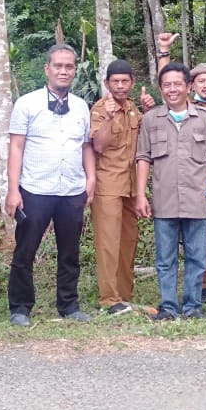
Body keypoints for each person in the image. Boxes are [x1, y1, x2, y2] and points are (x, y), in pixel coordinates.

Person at [4, 43, 95, 326]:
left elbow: (85, 146)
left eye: (69, 66)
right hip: (35, 190)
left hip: (71, 191)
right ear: (47, 69)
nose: (64, 71)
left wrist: (91, 178)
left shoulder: (81, 106)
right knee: (25, 250)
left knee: (70, 252)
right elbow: (16, 147)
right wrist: (13, 189)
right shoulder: (27, 104)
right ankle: (20, 307)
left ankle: (68, 305)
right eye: (58, 66)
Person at [135, 62, 206, 320]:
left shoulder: (205, 119)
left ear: (188, 87)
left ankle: (193, 306)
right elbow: (143, 157)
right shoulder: (151, 120)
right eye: (166, 85)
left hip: (197, 200)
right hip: (164, 201)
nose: (172, 89)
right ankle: (169, 307)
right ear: (161, 89)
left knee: (197, 257)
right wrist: (141, 194)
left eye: (177, 84)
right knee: (165, 259)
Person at [155, 32, 206, 301]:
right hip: (189, 184)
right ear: (192, 85)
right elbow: (168, 81)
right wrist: (164, 52)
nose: (205, 85)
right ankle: (204, 284)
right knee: (195, 239)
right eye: (200, 81)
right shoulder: (181, 108)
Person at [90, 59, 144, 315]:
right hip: (108, 186)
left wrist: (149, 109)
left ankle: (124, 294)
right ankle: (109, 299)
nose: (121, 86)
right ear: (107, 83)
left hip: (131, 187)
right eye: (115, 82)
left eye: (125, 81)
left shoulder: (134, 109)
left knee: (128, 241)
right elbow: (98, 146)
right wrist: (110, 118)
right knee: (108, 243)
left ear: (132, 83)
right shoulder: (101, 109)